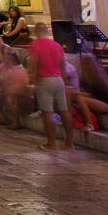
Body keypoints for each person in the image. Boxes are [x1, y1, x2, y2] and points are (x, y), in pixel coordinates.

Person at [28, 22, 72, 151]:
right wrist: (65, 83)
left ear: (36, 32)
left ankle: (51, 143)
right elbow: (63, 67)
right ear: (47, 31)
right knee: (65, 111)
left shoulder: (35, 45)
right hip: (59, 80)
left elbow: (34, 65)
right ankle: (70, 143)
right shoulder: (57, 45)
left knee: (48, 113)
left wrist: (32, 82)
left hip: (44, 80)